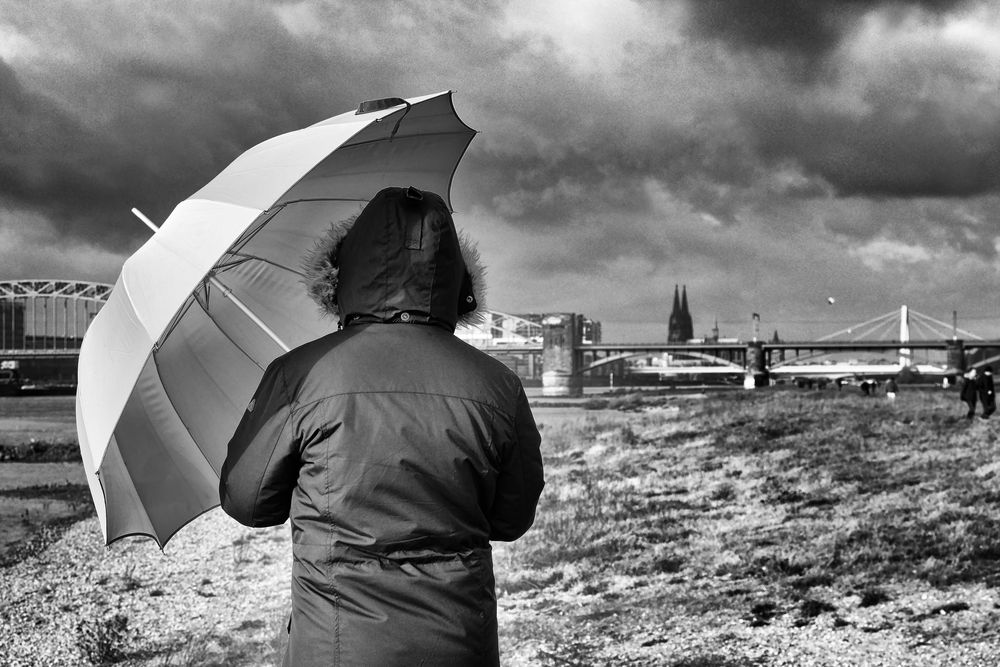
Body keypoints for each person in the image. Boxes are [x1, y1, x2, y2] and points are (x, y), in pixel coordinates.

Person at [219, 186, 545, 666]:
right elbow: (511, 520)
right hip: (459, 644)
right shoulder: (497, 384)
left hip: (335, 645)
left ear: (344, 273)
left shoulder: (300, 375)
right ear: (456, 277)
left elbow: (248, 505)